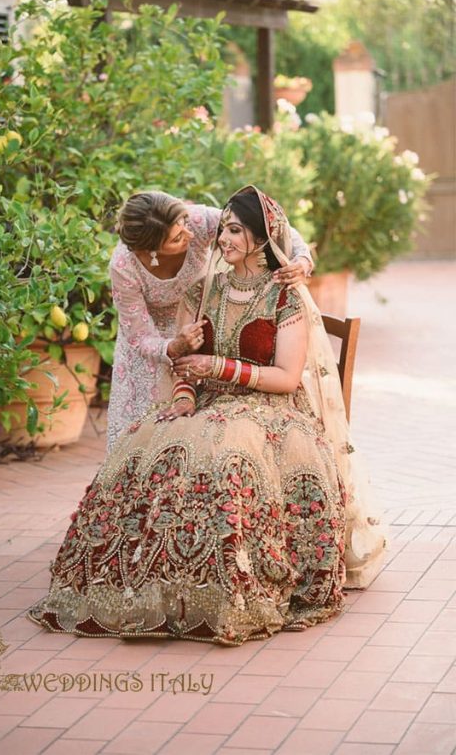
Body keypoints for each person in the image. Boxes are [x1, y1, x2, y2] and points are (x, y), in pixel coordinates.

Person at [30, 186, 382, 645]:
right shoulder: (202, 289)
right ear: (149, 248)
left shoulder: (285, 297)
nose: (216, 238)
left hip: (268, 409)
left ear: (259, 237)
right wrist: (182, 394)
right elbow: (182, 356)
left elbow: (286, 379)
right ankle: (149, 583)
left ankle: (216, 591)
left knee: (222, 457)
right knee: (146, 447)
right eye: (223, 230)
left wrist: (216, 366)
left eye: (233, 231)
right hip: (199, 390)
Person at [106, 191, 314, 447]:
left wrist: (302, 260)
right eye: (177, 238)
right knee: (143, 439)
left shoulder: (193, 221)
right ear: (152, 251)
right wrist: (174, 350)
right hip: (152, 344)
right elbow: (139, 335)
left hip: (204, 321)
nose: (190, 234)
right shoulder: (124, 266)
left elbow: (269, 224)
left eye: (184, 224)